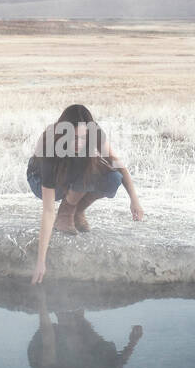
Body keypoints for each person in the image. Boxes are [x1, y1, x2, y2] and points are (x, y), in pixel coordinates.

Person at [28, 104, 145, 284]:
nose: (78, 143)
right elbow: (48, 211)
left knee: (112, 177)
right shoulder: (50, 146)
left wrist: (134, 200)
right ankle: (65, 214)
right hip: (41, 180)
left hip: (72, 173)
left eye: (83, 138)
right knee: (85, 167)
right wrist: (41, 262)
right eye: (73, 137)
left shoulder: (95, 134)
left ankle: (76, 209)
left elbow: (119, 166)